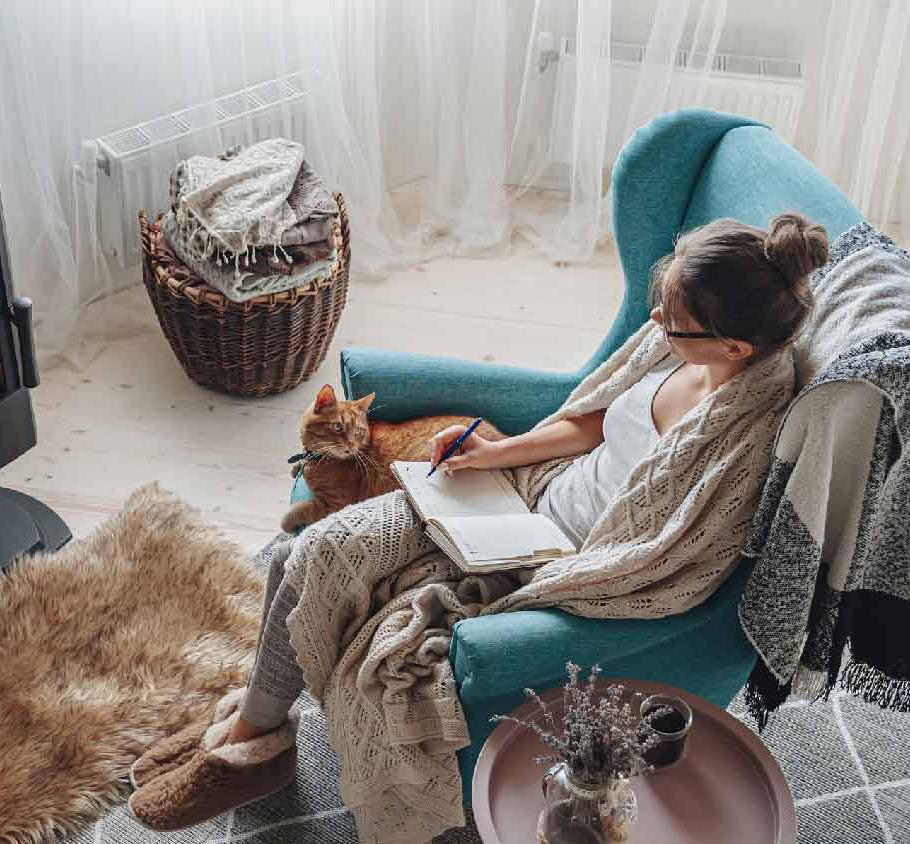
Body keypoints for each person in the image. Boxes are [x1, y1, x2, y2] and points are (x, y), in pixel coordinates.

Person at [128, 212, 829, 842]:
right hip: (521, 499)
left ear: (733, 348)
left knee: (316, 564)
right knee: (300, 553)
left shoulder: (745, 435)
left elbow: (670, 560)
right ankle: (260, 734)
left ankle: (249, 741)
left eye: (672, 318)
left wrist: (543, 572)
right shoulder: (677, 347)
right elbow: (591, 418)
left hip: (547, 557)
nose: (656, 322)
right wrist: (494, 454)